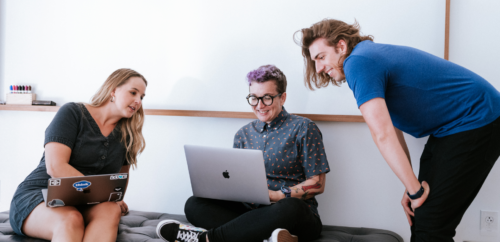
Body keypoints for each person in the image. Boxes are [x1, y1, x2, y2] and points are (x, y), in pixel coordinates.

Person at [296, 19, 500, 241]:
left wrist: (416, 190)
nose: (318, 68)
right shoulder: (367, 58)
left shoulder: (358, 62)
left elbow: (381, 134)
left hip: (477, 118)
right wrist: (410, 184)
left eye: (321, 57)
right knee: (421, 217)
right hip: (452, 127)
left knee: (430, 225)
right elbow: (392, 128)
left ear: (341, 46)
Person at [156, 65, 330, 242]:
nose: (260, 105)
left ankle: (206, 239)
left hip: (291, 213)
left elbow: (317, 184)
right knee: (194, 203)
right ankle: (264, 237)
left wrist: (277, 195)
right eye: (254, 98)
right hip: (250, 212)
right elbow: (234, 180)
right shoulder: (243, 134)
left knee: (291, 207)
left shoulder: (304, 128)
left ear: (282, 97)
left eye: (267, 98)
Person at [9, 68, 148, 242]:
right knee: (71, 219)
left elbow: (119, 181)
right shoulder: (73, 113)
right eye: (133, 92)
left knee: (111, 210)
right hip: (40, 195)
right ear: (113, 90)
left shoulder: (128, 134)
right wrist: (99, 193)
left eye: (142, 97)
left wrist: (115, 198)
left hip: (86, 202)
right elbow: (56, 167)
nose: (138, 101)